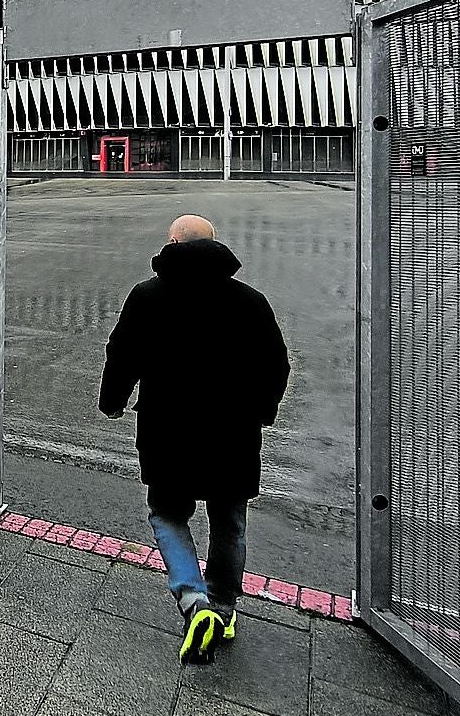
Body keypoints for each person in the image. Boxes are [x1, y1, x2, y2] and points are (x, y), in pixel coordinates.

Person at [97, 214, 290, 665]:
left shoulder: (147, 296)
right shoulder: (250, 301)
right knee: (229, 521)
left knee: (167, 515)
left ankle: (192, 600)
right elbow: (276, 363)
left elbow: (122, 353)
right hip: (233, 434)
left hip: (169, 432)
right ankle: (222, 607)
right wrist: (262, 410)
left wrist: (112, 400)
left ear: (173, 243)